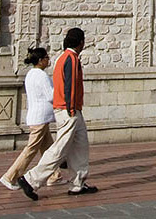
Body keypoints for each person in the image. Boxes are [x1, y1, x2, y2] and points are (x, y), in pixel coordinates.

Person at [17, 28, 97, 200]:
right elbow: (69, 85)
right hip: (68, 109)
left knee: (81, 145)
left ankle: (78, 183)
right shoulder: (70, 59)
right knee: (60, 148)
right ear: (80, 42)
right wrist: (70, 108)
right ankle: (30, 180)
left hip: (74, 109)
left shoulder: (66, 58)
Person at [0, 48, 67, 190]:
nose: (48, 60)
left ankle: (54, 176)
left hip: (38, 116)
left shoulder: (30, 74)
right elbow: (51, 96)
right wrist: (61, 87)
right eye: (47, 58)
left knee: (48, 148)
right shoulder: (41, 76)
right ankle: (10, 176)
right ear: (41, 60)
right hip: (40, 117)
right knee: (31, 148)